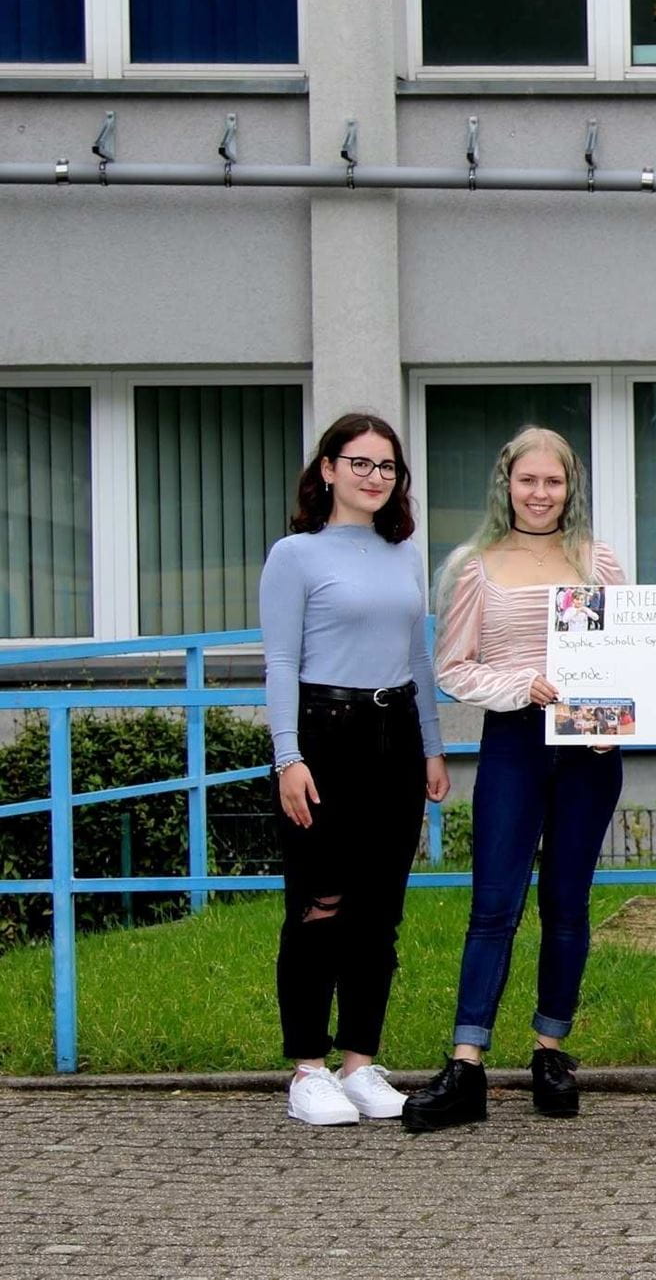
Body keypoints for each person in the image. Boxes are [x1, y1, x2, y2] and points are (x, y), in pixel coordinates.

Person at [403, 427, 627, 1132]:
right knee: (494, 902)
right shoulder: (475, 566)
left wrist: (613, 712)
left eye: (553, 481)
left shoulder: (600, 561)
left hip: (589, 749)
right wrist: (521, 684)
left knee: (567, 902)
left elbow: (632, 653)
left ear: (571, 486)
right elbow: (451, 667)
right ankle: (466, 1061)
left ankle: (550, 1050)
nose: (540, 493)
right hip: (515, 740)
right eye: (527, 480)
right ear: (506, 484)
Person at [260, 412, 449, 1127]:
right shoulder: (296, 554)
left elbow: (420, 657)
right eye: (360, 463)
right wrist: (288, 755)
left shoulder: (402, 552)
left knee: (378, 911)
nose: (375, 477)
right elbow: (279, 659)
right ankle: (308, 1068)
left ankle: (360, 1063)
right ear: (329, 468)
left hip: (394, 733)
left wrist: (432, 745)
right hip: (322, 734)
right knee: (319, 904)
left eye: (388, 467)